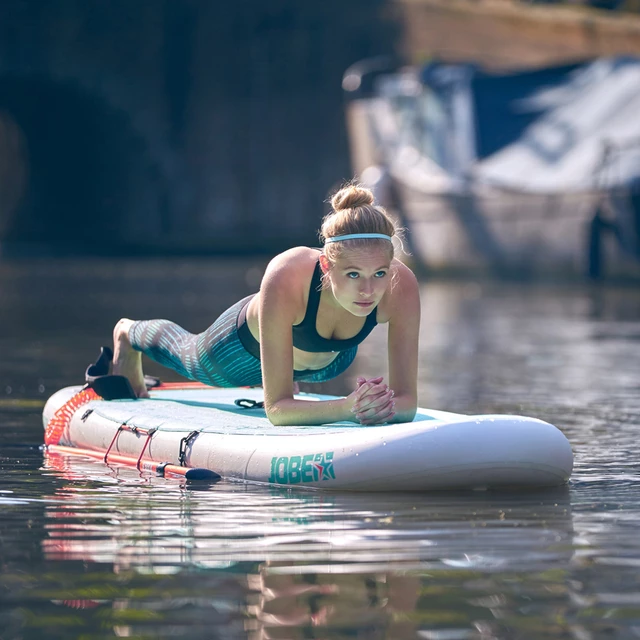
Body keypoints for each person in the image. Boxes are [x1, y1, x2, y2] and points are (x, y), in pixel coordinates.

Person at [112, 184, 420, 426]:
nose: (368, 290)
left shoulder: (401, 285)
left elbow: (407, 402)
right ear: (326, 265)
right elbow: (277, 411)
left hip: (327, 365)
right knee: (189, 357)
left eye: (379, 273)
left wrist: (377, 404)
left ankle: (283, 377)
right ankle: (129, 333)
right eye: (353, 274)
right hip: (240, 353)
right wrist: (349, 408)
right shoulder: (287, 275)